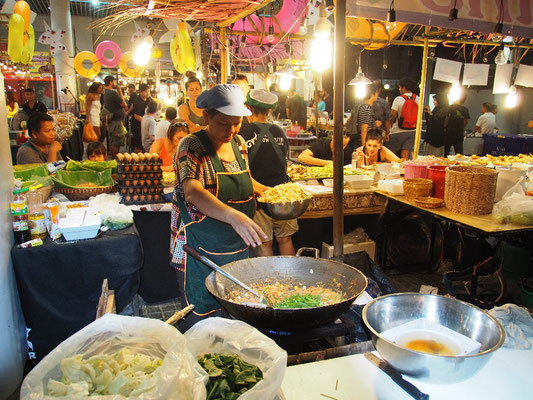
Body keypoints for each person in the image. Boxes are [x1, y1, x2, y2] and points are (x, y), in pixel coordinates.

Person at [171, 84, 268, 331]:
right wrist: (233, 215)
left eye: (237, 123)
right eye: (225, 123)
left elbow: (246, 178)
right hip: (198, 246)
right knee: (200, 319)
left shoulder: (239, 144)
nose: (232, 130)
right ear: (207, 117)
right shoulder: (191, 145)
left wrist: (269, 191)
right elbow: (192, 191)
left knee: (235, 311)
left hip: (234, 244)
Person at [240, 89, 297, 257]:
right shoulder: (279, 132)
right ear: (269, 110)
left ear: (249, 108)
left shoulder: (243, 132)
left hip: (259, 197)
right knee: (286, 240)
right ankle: (289, 279)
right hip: (282, 197)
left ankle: (269, 283)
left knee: (265, 242)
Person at [389, 78, 420, 159]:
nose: (399, 89)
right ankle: (403, 170)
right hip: (412, 131)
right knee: (405, 156)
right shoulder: (418, 99)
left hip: (397, 131)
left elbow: (392, 116)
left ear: (404, 87)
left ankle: (392, 171)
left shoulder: (398, 99)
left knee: (391, 155)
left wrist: (389, 129)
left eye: (400, 87)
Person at [345, 81, 380, 147]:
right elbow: (364, 129)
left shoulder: (359, 105)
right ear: (372, 94)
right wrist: (364, 145)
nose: (377, 95)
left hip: (357, 139)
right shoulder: (366, 108)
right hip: (362, 140)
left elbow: (348, 120)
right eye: (377, 93)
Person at [103, 76, 126, 157]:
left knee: (114, 141)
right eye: (114, 81)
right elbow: (124, 104)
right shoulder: (112, 93)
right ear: (110, 82)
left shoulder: (106, 93)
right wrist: (120, 91)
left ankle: (114, 159)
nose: (115, 83)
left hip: (112, 120)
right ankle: (115, 159)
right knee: (116, 142)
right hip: (115, 121)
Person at [423, 92, 449, 156]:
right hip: (430, 137)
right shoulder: (436, 109)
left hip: (438, 139)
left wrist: (430, 113)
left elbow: (437, 122)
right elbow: (429, 122)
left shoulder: (445, 111)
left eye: (435, 100)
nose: (434, 102)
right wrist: (427, 113)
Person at [131, 83, 151, 153]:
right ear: (140, 92)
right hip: (137, 126)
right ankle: (138, 160)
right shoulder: (137, 101)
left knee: (144, 144)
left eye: (148, 91)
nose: (148, 93)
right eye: (146, 92)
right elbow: (136, 116)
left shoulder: (148, 100)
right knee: (139, 144)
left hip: (143, 124)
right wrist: (146, 122)